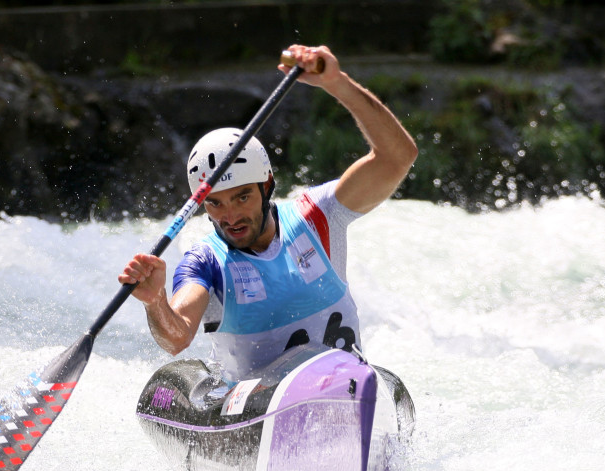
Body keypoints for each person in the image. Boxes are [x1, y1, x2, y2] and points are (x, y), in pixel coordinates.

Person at [119, 44, 418, 382]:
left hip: (345, 392)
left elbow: (398, 157)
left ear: (267, 185)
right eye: (215, 203)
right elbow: (177, 338)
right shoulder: (205, 262)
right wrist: (155, 302)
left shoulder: (317, 217)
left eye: (242, 197)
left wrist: (338, 84)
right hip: (258, 420)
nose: (229, 215)